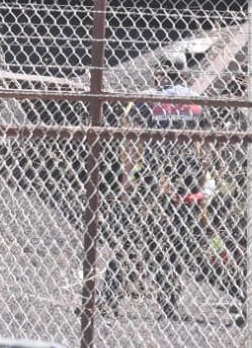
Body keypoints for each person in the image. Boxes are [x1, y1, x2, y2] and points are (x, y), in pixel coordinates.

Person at [101, 51, 214, 320]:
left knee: (131, 239)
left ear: (160, 72)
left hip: (153, 177)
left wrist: (127, 179)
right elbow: (207, 144)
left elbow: (131, 141)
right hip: (187, 176)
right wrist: (204, 179)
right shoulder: (197, 102)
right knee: (175, 243)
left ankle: (109, 299)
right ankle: (169, 305)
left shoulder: (146, 101)